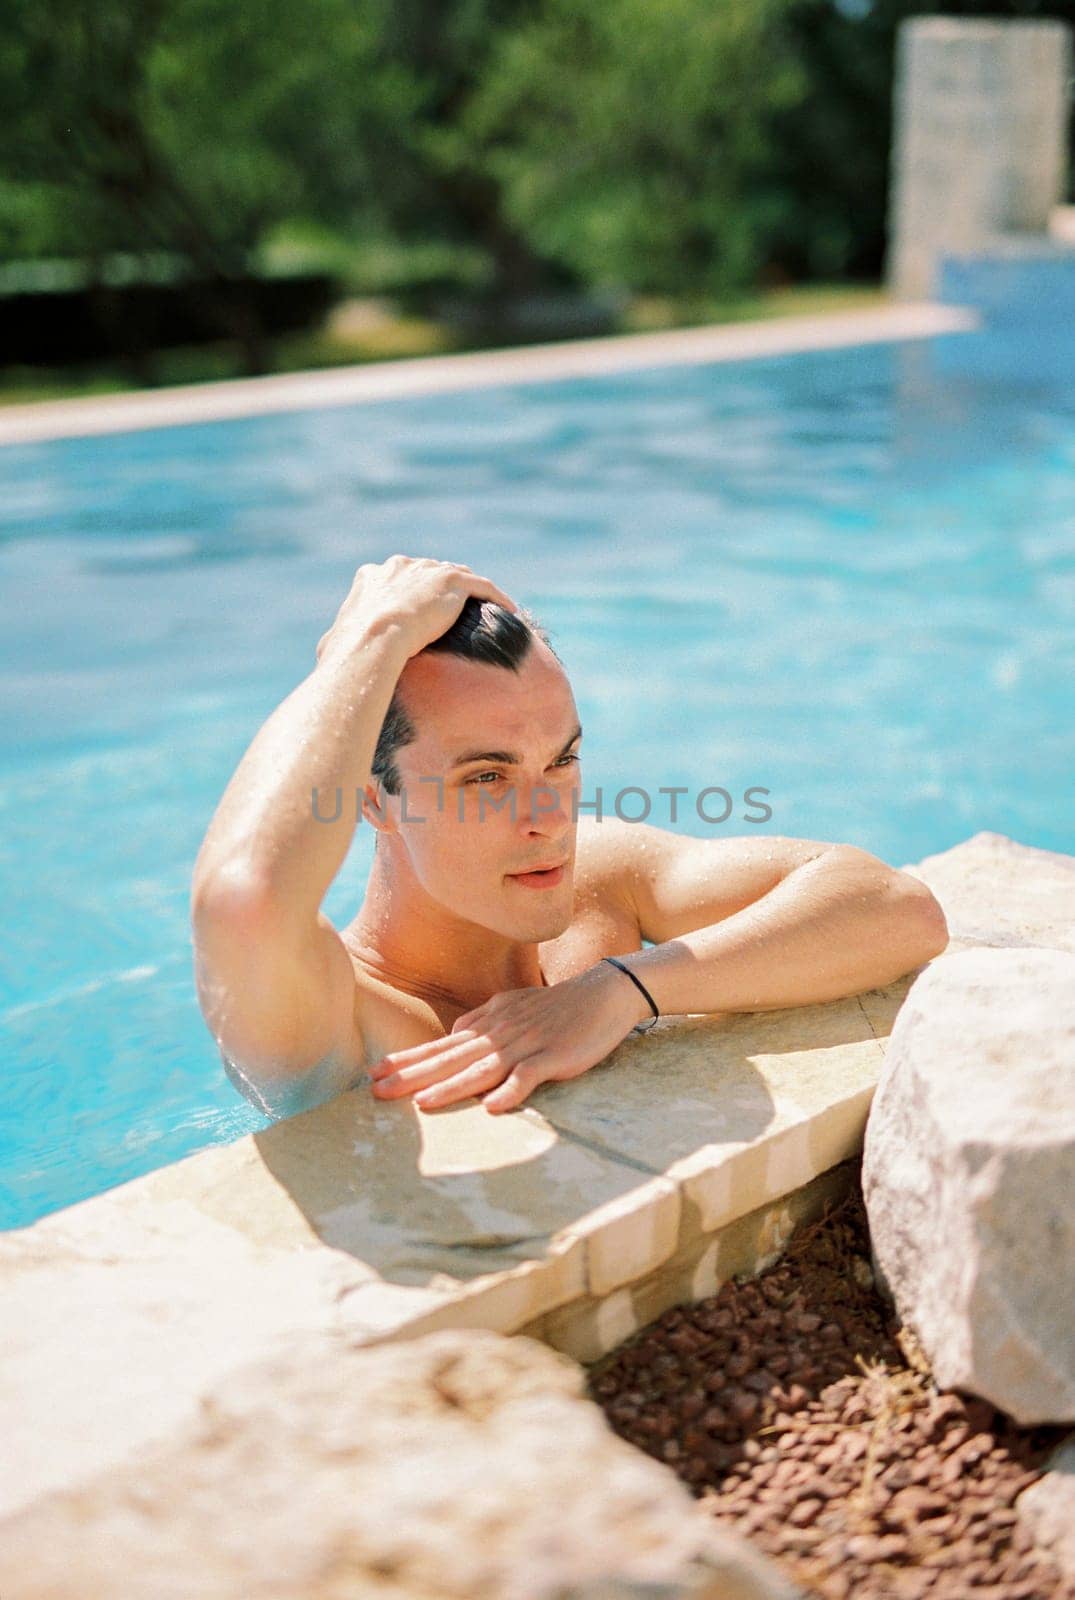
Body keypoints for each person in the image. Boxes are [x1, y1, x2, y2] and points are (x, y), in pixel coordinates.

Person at [190, 555, 948, 1120]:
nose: (548, 818)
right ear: (373, 800)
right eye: (486, 777)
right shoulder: (341, 1016)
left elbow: (896, 907)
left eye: (561, 760)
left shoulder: (600, 887)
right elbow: (244, 901)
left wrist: (622, 990)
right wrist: (372, 637)